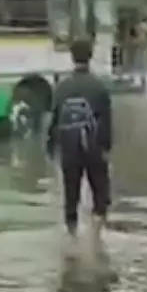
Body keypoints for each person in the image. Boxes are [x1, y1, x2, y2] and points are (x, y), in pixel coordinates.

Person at [47, 39, 113, 235]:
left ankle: (72, 238)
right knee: (100, 194)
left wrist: (51, 147)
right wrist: (106, 148)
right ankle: (95, 237)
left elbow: (55, 120)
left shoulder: (62, 87)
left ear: (72, 57)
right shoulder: (99, 87)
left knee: (71, 195)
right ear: (91, 56)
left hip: (69, 148)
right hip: (94, 148)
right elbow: (106, 122)